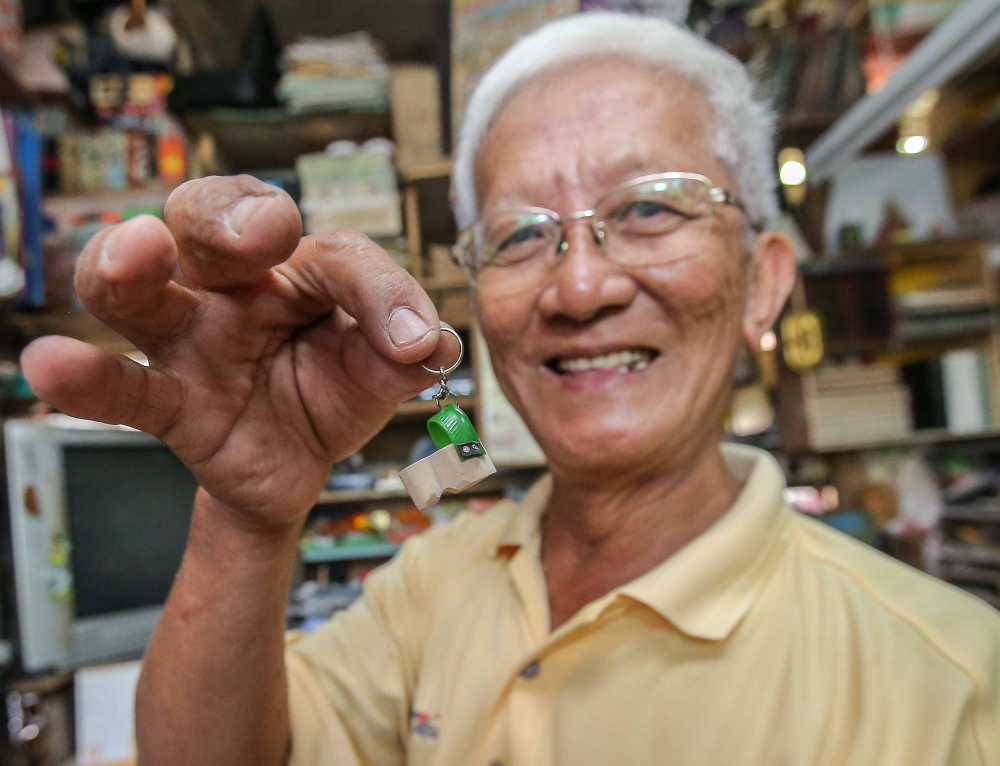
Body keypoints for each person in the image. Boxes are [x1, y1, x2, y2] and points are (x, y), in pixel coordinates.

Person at [21, 12, 1000, 766]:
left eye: (651, 206)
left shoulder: (951, 688)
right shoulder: (434, 582)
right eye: (522, 233)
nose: (579, 286)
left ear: (765, 280)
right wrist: (245, 518)